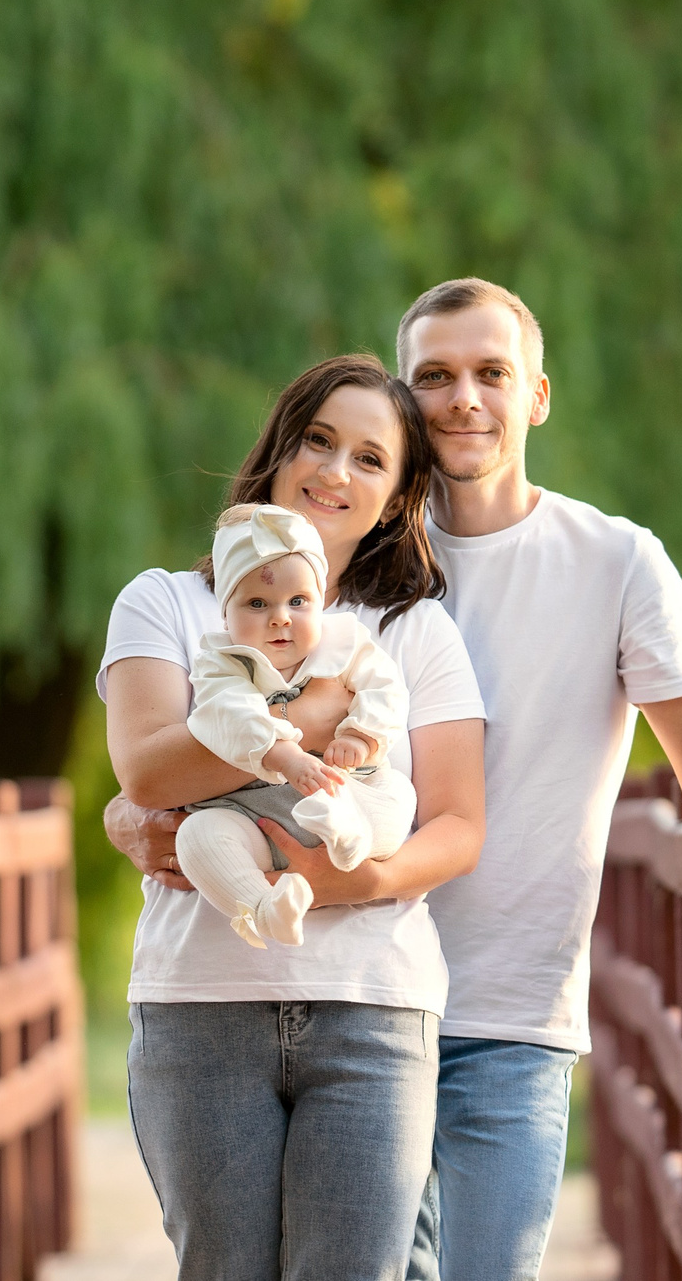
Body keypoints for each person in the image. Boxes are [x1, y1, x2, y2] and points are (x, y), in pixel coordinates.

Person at [106, 279, 682, 1281]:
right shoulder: (309, 582)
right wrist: (136, 807)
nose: (463, 399)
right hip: (321, 990)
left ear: (536, 393)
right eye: (436, 378)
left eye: (490, 373)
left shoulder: (592, 567)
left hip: (491, 1007)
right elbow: (157, 757)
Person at [102, 354, 489, 1281]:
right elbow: (149, 770)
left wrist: (339, 882)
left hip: (374, 1008)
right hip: (200, 1003)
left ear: (398, 497)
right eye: (318, 441)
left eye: (369, 458)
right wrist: (308, 717)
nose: (333, 472)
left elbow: (458, 824)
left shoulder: (413, 631)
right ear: (278, 451)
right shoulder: (165, 602)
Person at [176, 501, 418, 946]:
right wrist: (284, 755)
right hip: (251, 809)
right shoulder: (221, 664)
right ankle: (264, 907)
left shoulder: (345, 642)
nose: (280, 617)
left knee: (400, 796)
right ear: (225, 614)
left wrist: (360, 736)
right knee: (197, 836)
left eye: (298, 601)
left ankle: (351, 833)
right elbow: (230, 714)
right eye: (256, 603)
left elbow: (385, 688)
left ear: (321, 601)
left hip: (341, 789)